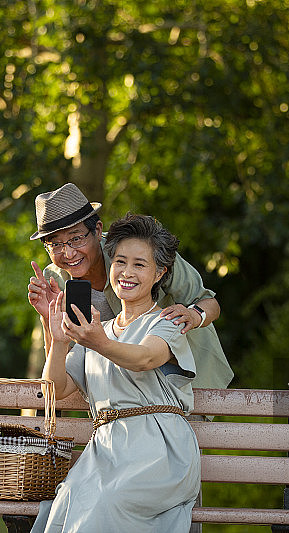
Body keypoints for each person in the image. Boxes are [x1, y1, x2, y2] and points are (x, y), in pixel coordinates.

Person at [32, 214, 200, 533]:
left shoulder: (166, 323)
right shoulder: (99, 329)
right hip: (106, 451)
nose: (127, 272)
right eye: (120, 261)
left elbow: (145, 357)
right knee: (68, 499)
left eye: (140, 264)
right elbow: (56, 388)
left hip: (159, 451)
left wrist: (98, 341)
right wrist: (57, 339)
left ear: (159, 272)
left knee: (108, 500)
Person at [28, 182, 233, 390]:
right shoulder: (55, 279)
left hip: (186, 375)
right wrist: (48, 319)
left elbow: (208, 302)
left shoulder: (137, 249)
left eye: (76, 238)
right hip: (121, 390)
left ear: (97, 230)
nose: (69, 253)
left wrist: (193, 316)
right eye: (55, 244)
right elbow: (61, 369)